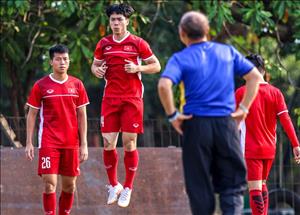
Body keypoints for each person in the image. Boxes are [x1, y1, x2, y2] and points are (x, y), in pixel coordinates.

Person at [158, 11, 262, 215]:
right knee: (232, 184)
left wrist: (172, 115)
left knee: (199, 185)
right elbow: (255, 77)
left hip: (196, 125)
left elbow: (164, 85)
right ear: (207, 31)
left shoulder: (180, 58)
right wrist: (243, 109)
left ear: (182, 33)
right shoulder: (227, 52)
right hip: (226, 124)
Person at [91, 3, 161, 207]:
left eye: (119, 19)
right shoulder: (104, 43)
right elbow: (95, 65)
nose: (115, 23)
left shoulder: (138, 43)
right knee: (108, 143)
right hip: (110, 99)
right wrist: (97, 70)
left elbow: (156, 65)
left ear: (127, 21)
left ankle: (128, 187)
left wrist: (137, 67)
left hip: (132, 99)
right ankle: (114, 185)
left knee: (129, 143)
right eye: (113, 19)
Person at [25, 44, 89, 215]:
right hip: (48, 141)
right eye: (58, 59)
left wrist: (84, 144)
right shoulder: (41, 86)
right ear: (51, 62)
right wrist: (29, 143)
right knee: (49, 183)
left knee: (69, 186)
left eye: (65, 59)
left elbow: (82, 115)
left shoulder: (77, 85)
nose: (62, 62)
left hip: (71, 143)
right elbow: (32, 115)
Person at [235, 54, 300, 215]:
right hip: (269, 149)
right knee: (262, 184)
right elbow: (286, 120)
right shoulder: (276, 92)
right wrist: (296, 144)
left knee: (254, 189)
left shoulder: (241, 92)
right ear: (263, 71)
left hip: (251, 149)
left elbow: (233, 123)